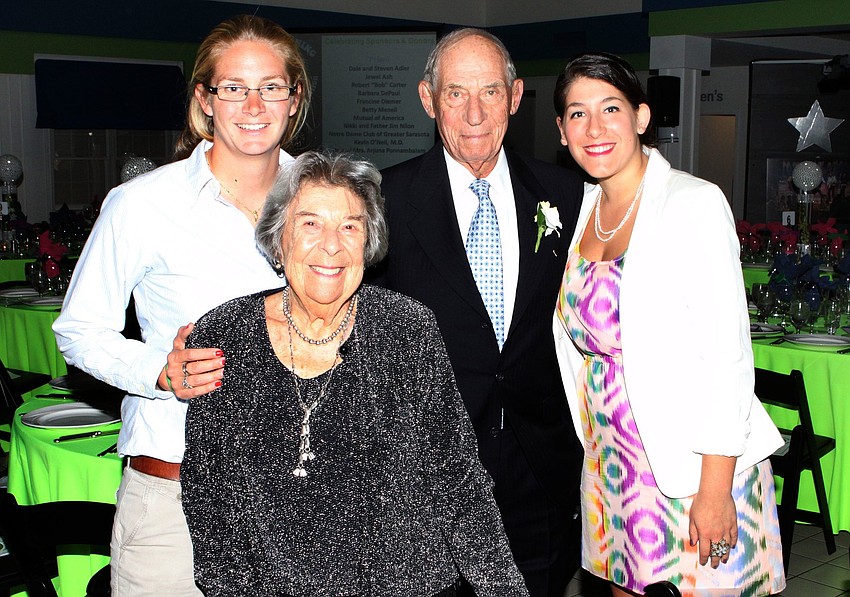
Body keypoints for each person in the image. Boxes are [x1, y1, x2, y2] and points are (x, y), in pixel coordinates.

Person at [179, 151, 529, 597]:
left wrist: (503, 589)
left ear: (368, 244)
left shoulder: (406, 329)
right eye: (310, 223)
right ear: (278, 239)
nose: (332, 245)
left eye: (350, 226)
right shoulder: (225, 336)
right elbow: (208, 493)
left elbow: (457, 480)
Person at [52, 14, 311, 595]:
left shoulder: (326, 199)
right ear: (205, 100)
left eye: (271, 87)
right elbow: (79, 330)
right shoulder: (142, 205)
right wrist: (159, 371)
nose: (253, 105)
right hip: (175, 503)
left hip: (304, 499)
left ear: (294, 100)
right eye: (234, 87)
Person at [551, 52, 786, 596]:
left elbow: (726, 356)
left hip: (692, 467)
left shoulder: (692, 203)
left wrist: (715, 490)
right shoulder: (582, 210)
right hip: (611, 465)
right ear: (562, 131)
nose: (594, 127)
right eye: (578, 113)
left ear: (641, 116)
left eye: (611, 108)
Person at [369, 28, 584, 597]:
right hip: (425, 481)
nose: (474, 113)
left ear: (515, 97)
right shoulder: (383, 200)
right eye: (455, 93)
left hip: (538, 474)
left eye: (489, 92)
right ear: (427, 99)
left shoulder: (565, 194)